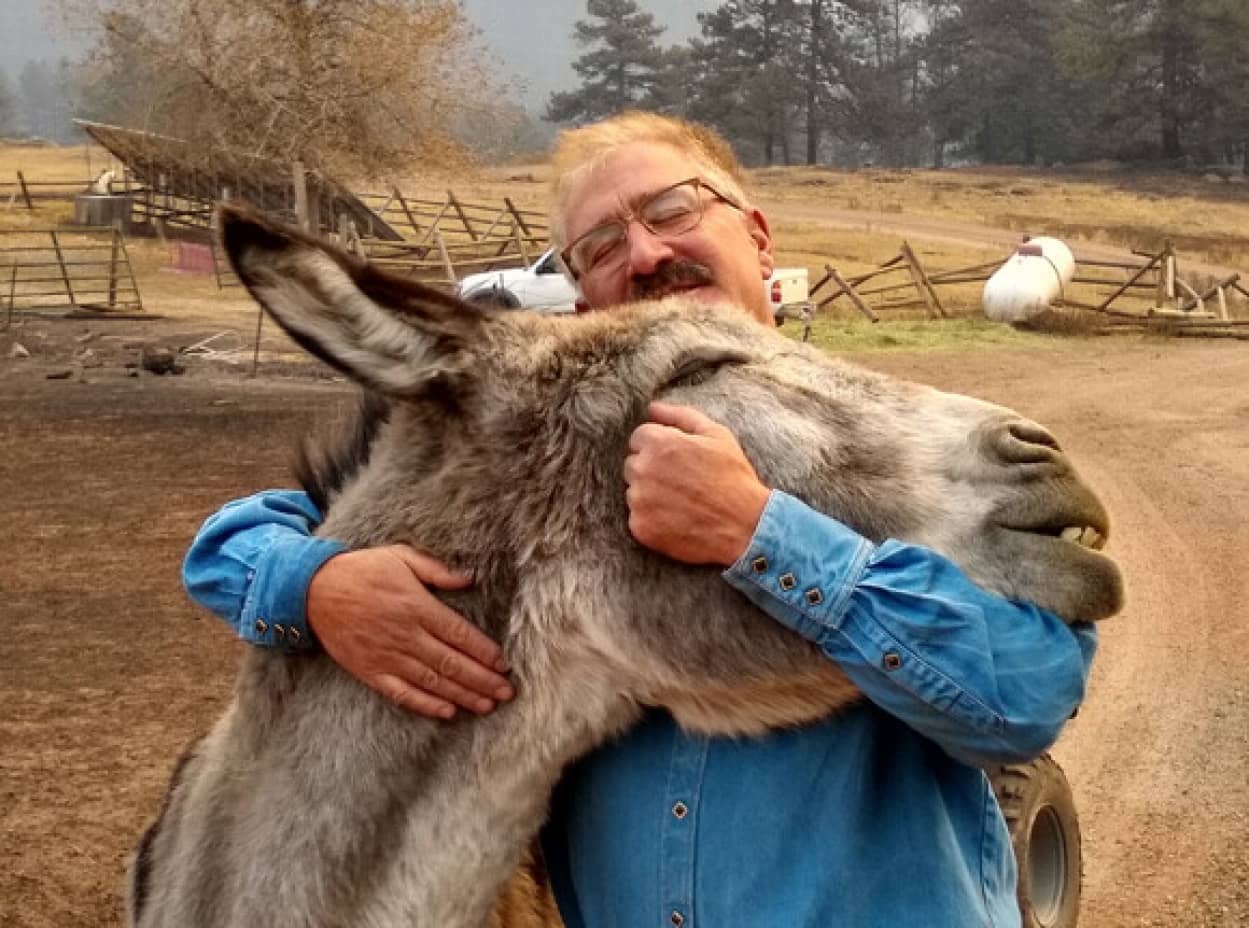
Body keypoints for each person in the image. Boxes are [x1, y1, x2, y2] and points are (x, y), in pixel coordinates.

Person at [183, 111, 1095, 927]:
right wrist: (318, 583)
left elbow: (1026, 697)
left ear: (758, 236)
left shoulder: (874, 449)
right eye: (601, 245)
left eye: (672, 209)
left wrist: (758, 535)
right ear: (582, 298)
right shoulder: (548, 449)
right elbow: (234, 541)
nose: (648, 252)